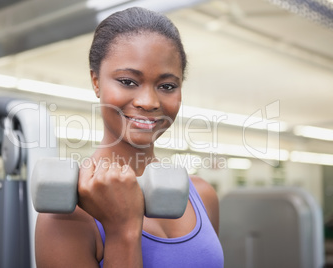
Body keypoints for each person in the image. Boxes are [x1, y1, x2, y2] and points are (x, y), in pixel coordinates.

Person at [35, 7, 224, 267]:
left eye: (167, 86)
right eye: (128, 81)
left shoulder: (203, 195)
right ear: (96, 82)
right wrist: (122, 230)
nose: (148, 102)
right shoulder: (68, 213)